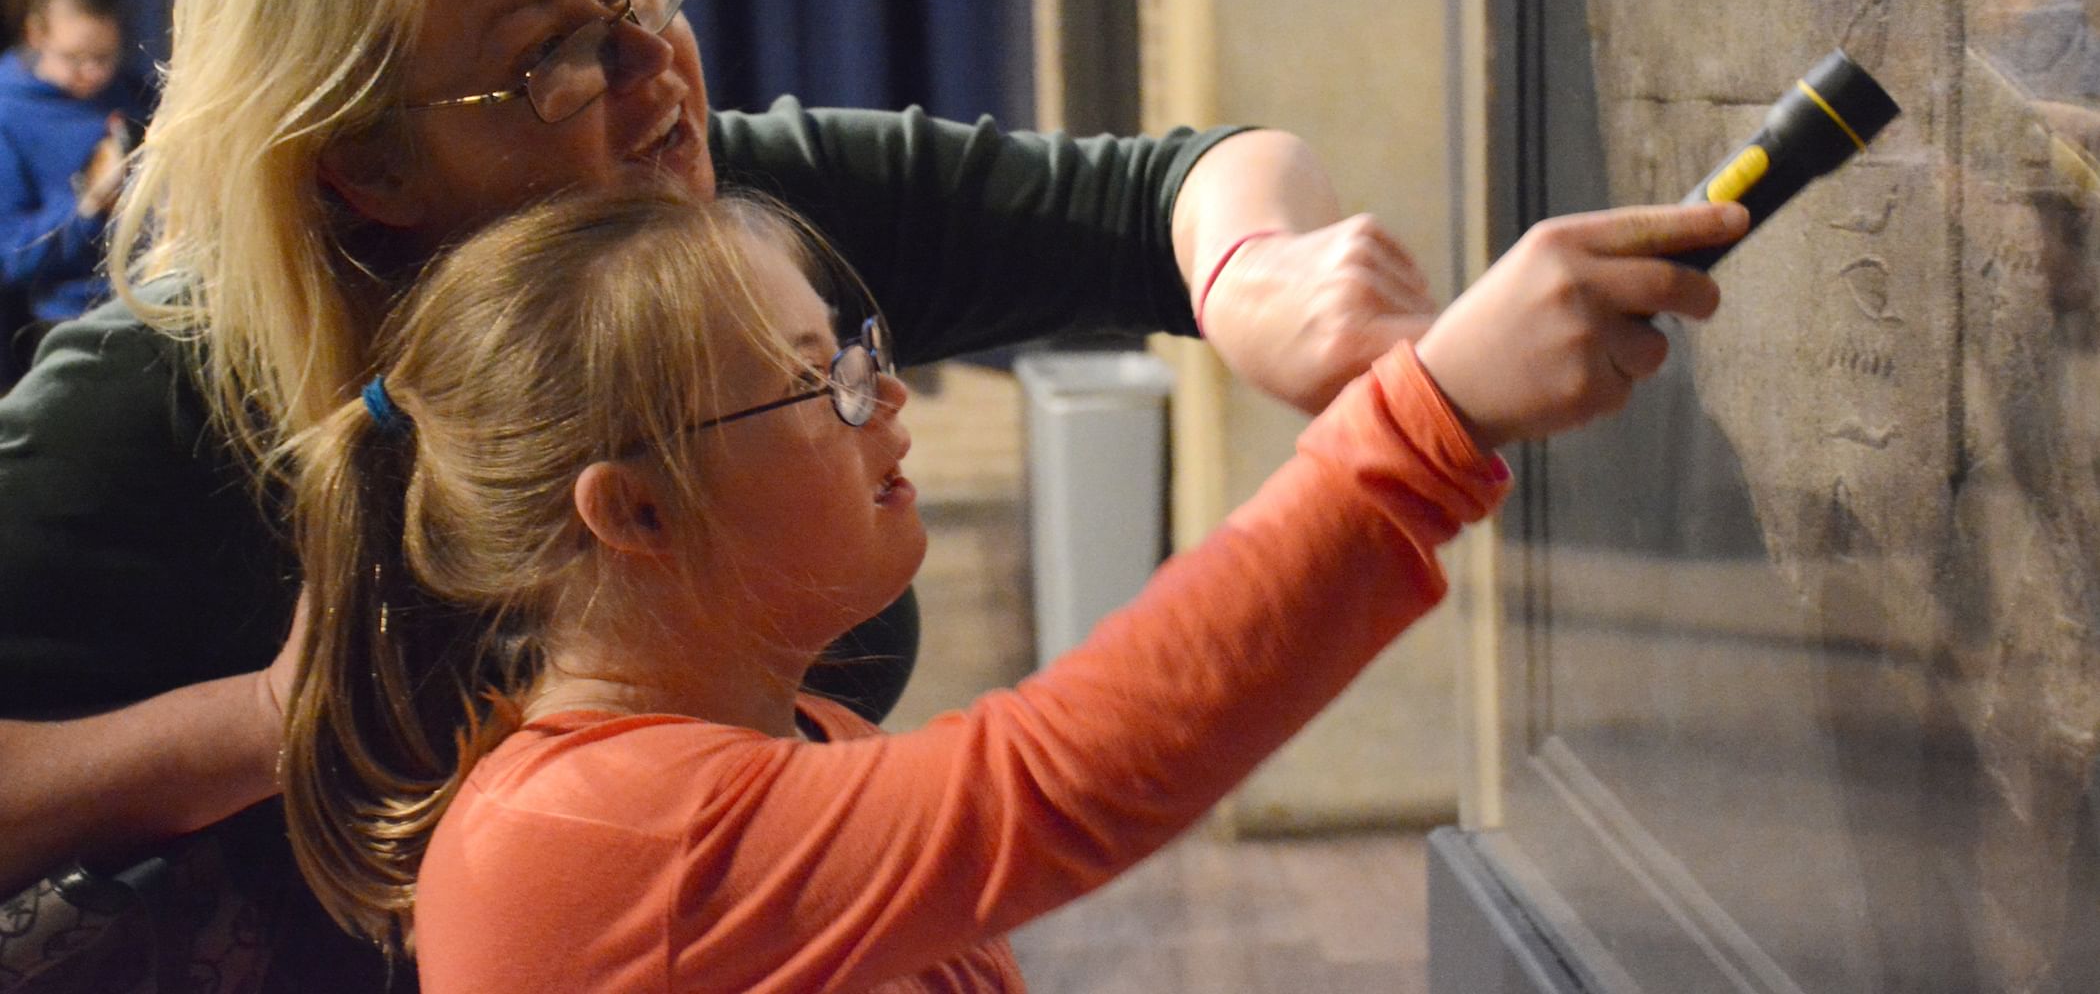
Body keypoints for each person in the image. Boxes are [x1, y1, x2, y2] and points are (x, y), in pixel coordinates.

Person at [0, 0, 1441, 985]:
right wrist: (270, 721)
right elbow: (1045, 787)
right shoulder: (161, 397)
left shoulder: (710, 204)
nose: (654, 61)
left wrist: (1257, 276)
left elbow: (1171, 191)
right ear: (366, 169)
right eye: (553, 58)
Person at [279, 184, 1744, 989]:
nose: (887, 395)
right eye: (818, 384)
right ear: (637, 511)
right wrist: (1429, 421)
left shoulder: (786, 750)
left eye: (853, 348)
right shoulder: (579, 836)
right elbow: (1051, 780)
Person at [0, 0, 146, 354]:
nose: (94, 73)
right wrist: (90, 202)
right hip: (69, 321)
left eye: (105, 57)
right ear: (35, 35)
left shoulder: (130, 90)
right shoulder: (8, 112)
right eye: (74, 59)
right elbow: (11, 255)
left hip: (148, 298)